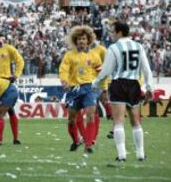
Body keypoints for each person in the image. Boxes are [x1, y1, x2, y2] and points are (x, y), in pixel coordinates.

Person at [92, 21, 153, 162]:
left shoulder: (114, 48)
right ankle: (140, 154)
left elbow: (106, 70)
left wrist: (95, 82)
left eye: (113, 31)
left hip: (119, 84)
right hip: (134, 85)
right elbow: (146, 69)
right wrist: (150, 87)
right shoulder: (139, 46)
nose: (111, 34)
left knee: (118, 122)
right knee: (136, 122)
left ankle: (121, 155)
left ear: (119, 32)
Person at [59, 25, 103, 153]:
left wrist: (102, 86)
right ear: (75, 40)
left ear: (88, 40)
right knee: (72, 120)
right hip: (74, 89)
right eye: (78, 39)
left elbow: (100, 71)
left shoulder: (94, 55)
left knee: (90, 115)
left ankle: (88, 145)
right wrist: (65, 81)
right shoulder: (69, 55)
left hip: (89, 88)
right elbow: (63, 70)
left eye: (83, 39)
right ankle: (75, 141)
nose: (81, 41)